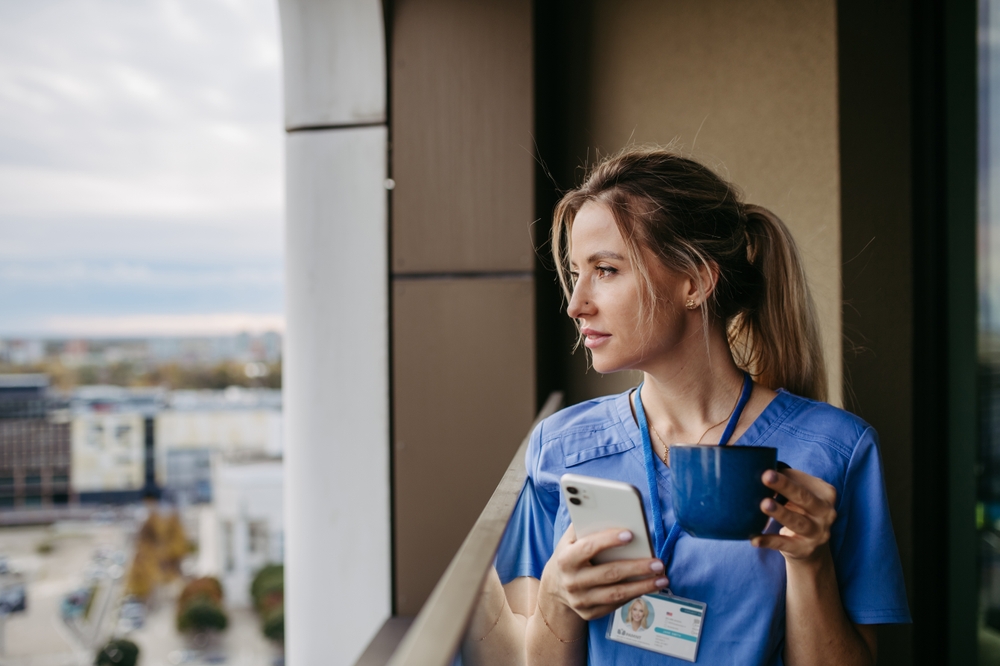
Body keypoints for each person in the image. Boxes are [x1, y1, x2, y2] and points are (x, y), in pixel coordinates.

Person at [468, 146, 909, 666]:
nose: (576, 303)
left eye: (606, 270)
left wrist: (811, 562)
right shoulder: (559, 446)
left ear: (695, 282)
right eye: (576, 272)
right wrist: (558, 599)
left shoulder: (836, 450)